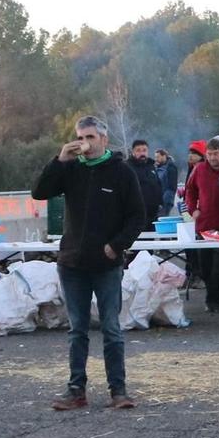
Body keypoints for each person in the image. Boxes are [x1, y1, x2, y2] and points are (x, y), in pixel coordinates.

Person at [32, 116, 145, 411]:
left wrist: (116, 245)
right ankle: (76, 390)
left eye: (91, 137)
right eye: (81, 137)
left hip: (106, 264)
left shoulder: (121, 172)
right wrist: (59, 160)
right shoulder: (70, 169)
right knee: (77, 330)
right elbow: (39, 192)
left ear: (104, 140)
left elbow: (136, 216)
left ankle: (118, 391)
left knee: (111, 328)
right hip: (72, 263)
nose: (86, 143)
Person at [182, 138, 219, 313]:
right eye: (209, 154)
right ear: (206, 154)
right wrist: (193, 210)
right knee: (205, 266)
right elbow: (189, 190)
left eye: (216, 154)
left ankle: (216, 300)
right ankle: (213, 298)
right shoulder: (199, 170)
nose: (212, 158)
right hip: (204, 225)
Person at [128, 139, 165, 229]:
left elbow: (158, 185)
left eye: (144, 150)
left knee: (152, 241)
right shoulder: (127, 167)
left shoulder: (151, 166)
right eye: (138, 150)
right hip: (135, 215)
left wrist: (161, 203)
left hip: (153, 214)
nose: (142, 153)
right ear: (133, 152)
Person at [154, 147, 179, 216]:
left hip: (165, 201)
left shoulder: (170, 167)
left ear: (164, 156)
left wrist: (164, 201)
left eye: (158, 157)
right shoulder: (157, 168)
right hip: (158, 200)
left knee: (162, 218)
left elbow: (171, 187)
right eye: (155, 157)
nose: (156, 159)